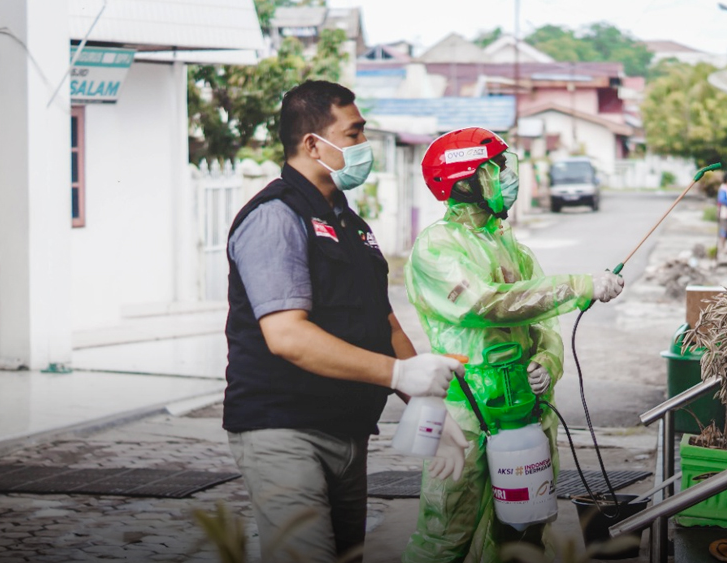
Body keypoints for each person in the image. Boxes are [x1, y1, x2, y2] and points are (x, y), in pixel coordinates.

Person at [222, 80, 466, 563]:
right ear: (313, 143)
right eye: (353, 135)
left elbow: (385, 322)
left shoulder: (349, 222)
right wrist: (397, 375)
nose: (363, 147)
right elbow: (287, 335)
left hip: (348, 428)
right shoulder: (275, 217)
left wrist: (429, 408)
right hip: (283, 428)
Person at [401, 127, 625, 563]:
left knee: (523, 529)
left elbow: (543, 322)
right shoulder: (435, 246)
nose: (508, 177)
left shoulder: (512, 248)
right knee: (445, 532)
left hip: (523, 408)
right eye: (496, 169)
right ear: (465, 181)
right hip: (462, 410)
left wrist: (547, 359)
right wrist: (579, 285)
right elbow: (486, 304)